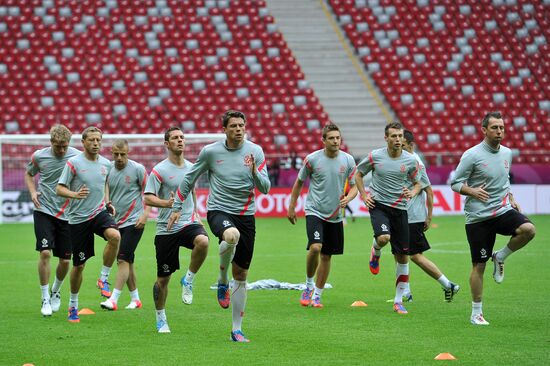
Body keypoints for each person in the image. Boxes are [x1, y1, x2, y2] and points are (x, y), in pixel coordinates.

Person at [168, 110, 271, 342]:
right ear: (224, 129)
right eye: (233, 125)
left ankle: (237, 329)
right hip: (219, 210)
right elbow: (189, 178)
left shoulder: (255, 151)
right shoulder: (211, 152)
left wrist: (255, 172)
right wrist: (176, 207)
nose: (238, 129)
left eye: (241, 125)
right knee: (231, 235)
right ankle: (222, 279)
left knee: (242, 274)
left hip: (246, 215)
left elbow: (265, 188)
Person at [450, 112, 536, 325]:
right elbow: (455, 183)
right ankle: (476, 313)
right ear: (484, 130)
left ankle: (501, 256)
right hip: (478, 218)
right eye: (495, 128)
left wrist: (512, 197)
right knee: (479, 266)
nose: (499, 131)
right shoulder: (472, 155)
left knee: (529, 230)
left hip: (502, 210)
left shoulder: (507, 153)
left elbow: (504, 180)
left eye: (502, 128)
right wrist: (472, 191)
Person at [145, 127, 209, 333]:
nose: (180, 140)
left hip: (188, 222)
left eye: (182, 137)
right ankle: (160, 317)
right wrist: (167, 204)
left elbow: (192, 191)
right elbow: (147, 197)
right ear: (167, 144)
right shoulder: (159, 170)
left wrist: (197, 213)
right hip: (166, 228)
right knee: (163, 280)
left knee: (203, 242)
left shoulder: (192, 167)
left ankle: (188, 279)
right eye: (175, 138)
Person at [287, 124, 357, 308]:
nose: (336, 141)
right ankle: (309, 286)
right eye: (332, 138)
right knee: (316, 247)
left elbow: (356, 185)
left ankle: (317, 295)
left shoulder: (348, 160)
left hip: (335, 215)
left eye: (338, 138)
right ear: (324, 140)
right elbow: (299, 182)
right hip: (314, 210)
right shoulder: (312, 159)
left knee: (327, 256)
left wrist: (349, 197)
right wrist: (292, 206)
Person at [354, 122, 421, 315]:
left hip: (400, 209)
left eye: (400, 136)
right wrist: (364, 195)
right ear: (386, 138)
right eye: (394, 136)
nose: (398, 139)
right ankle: (376, 250)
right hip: (379, 206)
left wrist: (413, 192)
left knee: (403, 257)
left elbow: (418, 183)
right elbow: (358, 175)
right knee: (384, 238)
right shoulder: (375, 156)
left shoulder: (410, 161)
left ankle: (399, 301)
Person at [56, 126, 121, 323]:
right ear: (83, 142)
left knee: (115, 236)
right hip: (78, 219)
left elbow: (105, 184)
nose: (95, 143)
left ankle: (103, 278)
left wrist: (108, 202)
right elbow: (59, 188)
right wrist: (74, 195)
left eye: (98, 140)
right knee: (79, 265)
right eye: (91, 140)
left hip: (99, 213)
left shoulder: (105, 164)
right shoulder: (73, 163)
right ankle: (73, 305)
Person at [25, 124, 80, 316]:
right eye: (58, 146)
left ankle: (56, 292)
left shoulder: (77, 156)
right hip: (44, 210)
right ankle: (44, 297)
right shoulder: (39, 156)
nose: (62, 150)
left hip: (68, 215)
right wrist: (33, 192)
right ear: (51, 142)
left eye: (65, 146)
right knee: (45, 253)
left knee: (65, 261)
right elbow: (29, 174)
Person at [401, 130, 459, 302]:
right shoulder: (404, 160)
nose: (400, 148)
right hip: (406, 214)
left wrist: (429, 217)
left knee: (415, 256)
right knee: (401, 254)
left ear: (410, 145)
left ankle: (449, 285)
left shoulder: (416, 163)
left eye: (403, 145)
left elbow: (429, 191)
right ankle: (405, 292)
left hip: (413, 216)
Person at [100, 139, 151, 311]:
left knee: (122, 258)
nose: (119, 157)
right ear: (111, 152)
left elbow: (150, 192)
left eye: (123, 154)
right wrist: (107, 203)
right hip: (116, 222)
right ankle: (136, 299)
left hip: (134, 221)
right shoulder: (107, 169)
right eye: (116, 154)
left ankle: (113, 299)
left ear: (128, 152)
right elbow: (105, 188)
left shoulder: (138, 169)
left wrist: (145, 214)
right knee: (127, 260)